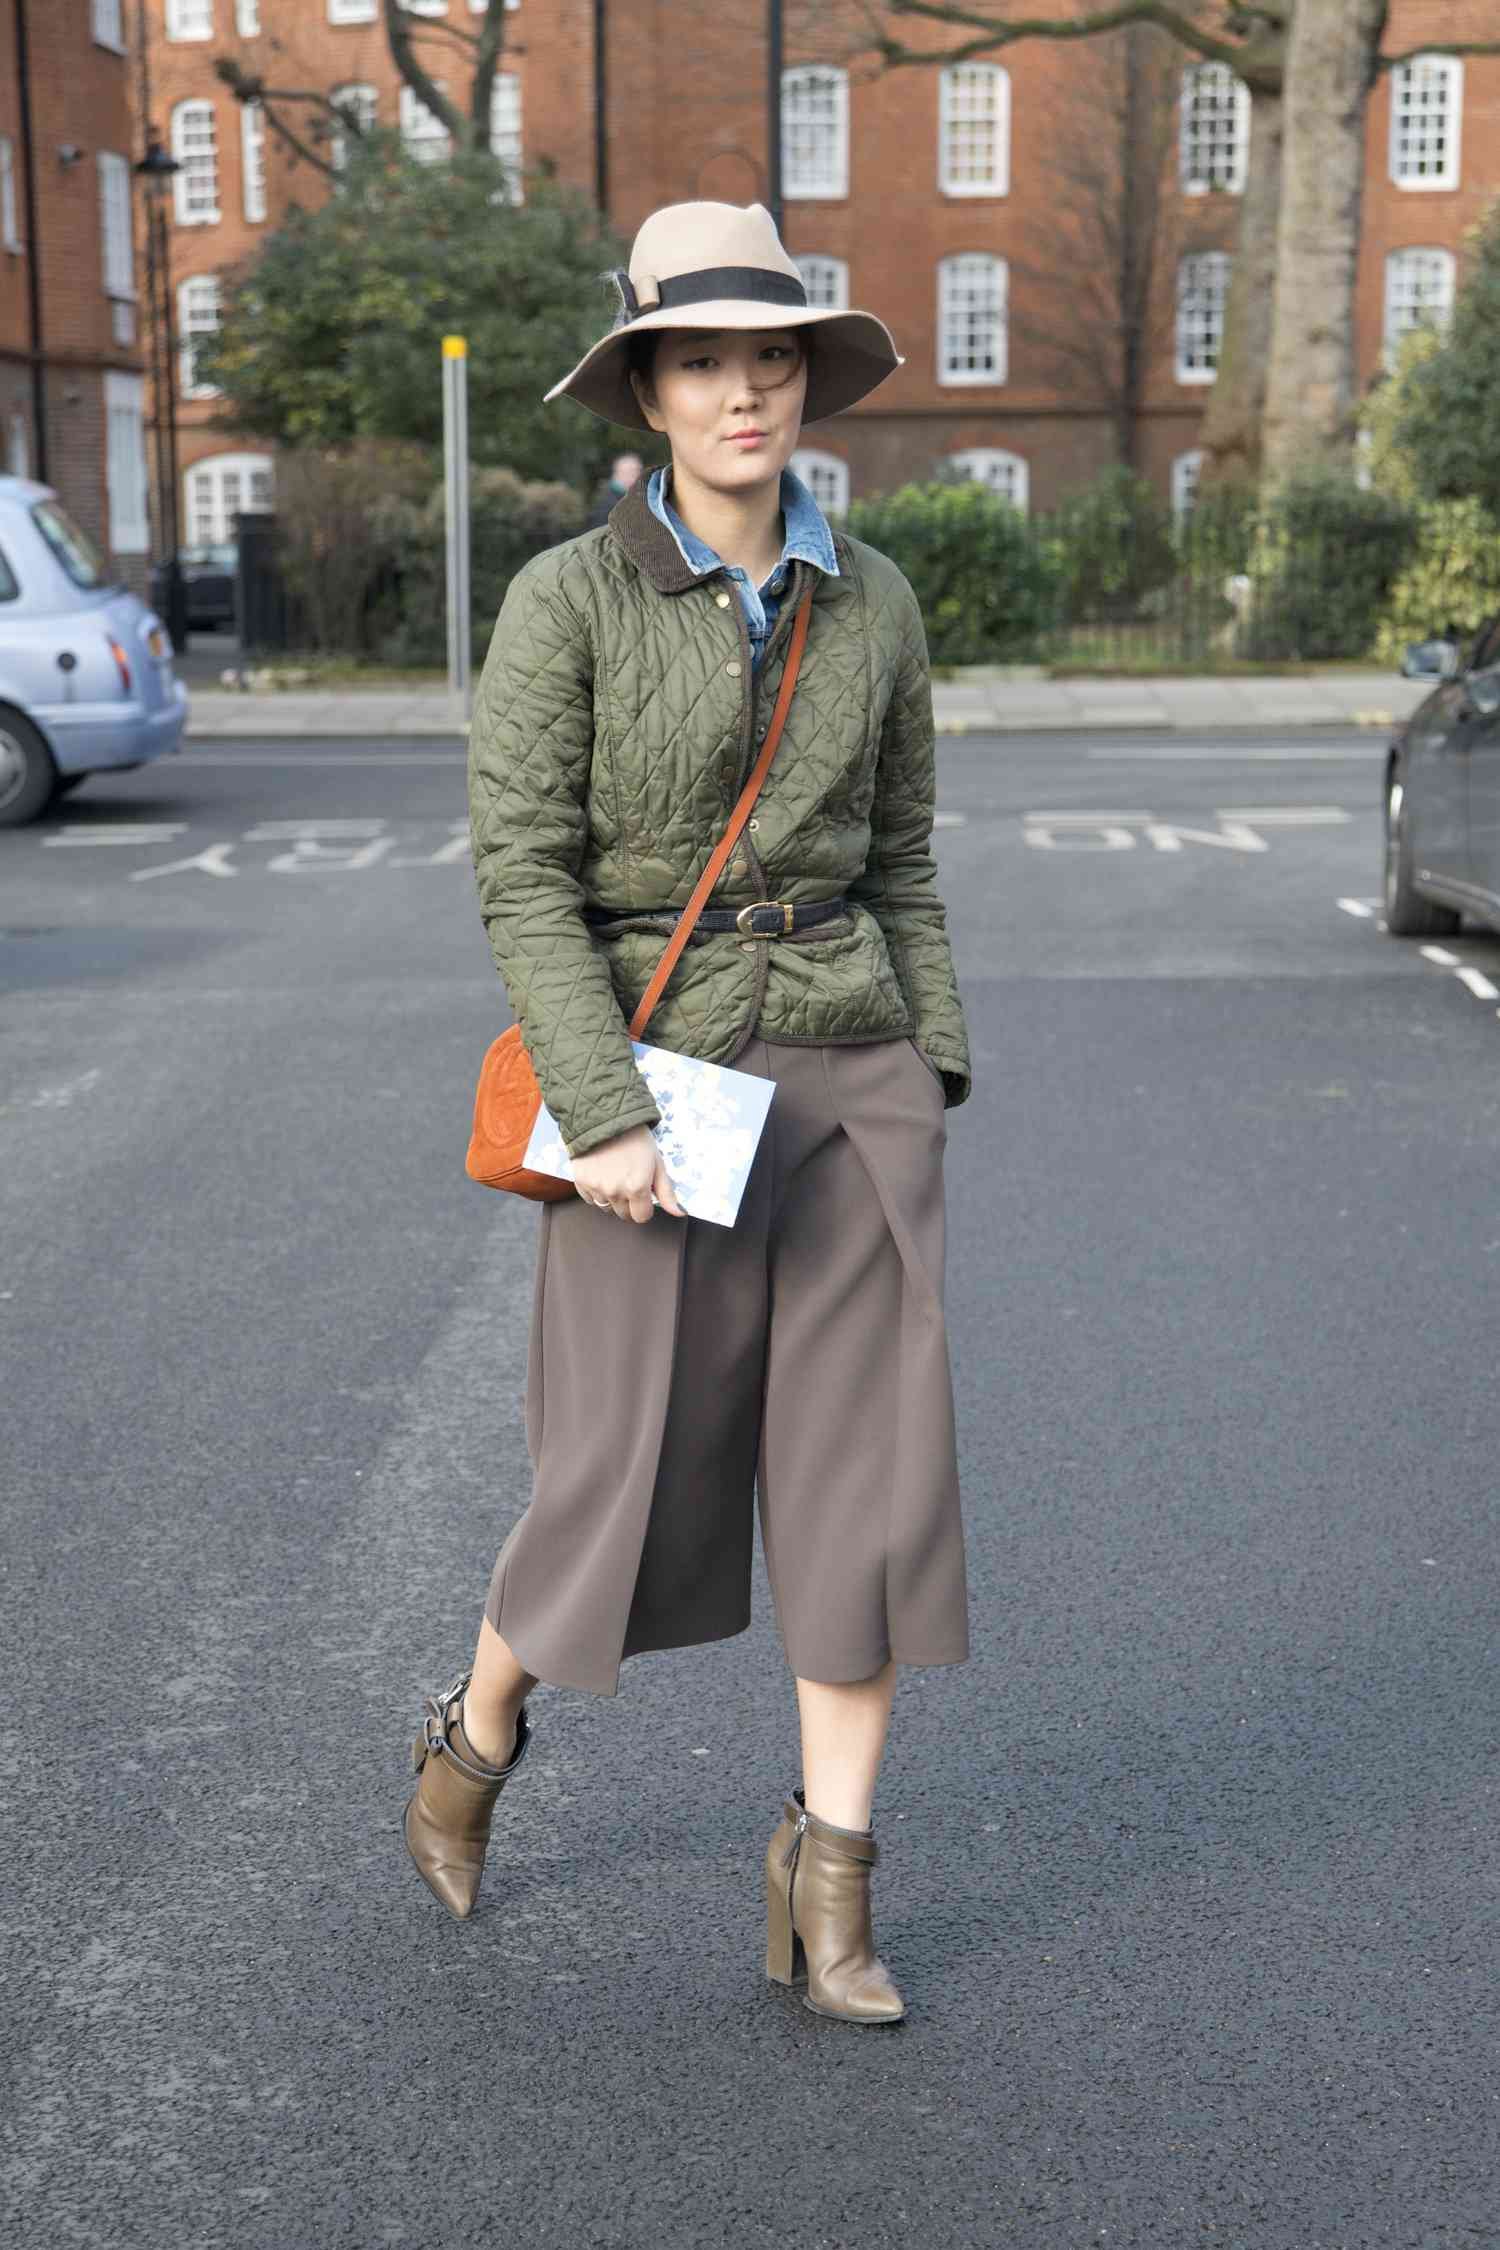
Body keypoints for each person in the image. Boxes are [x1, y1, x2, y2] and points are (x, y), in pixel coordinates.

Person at [404, 199, 974, 2026]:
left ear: (809, 378)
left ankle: (832, 1889)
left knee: (865, 1495)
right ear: (648, 385)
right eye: (707, 358)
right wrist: (603, 1107)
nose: (747, 390)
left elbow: (904, 859)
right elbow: (522, 878)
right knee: (617, 1483)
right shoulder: (565, 601)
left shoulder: (871, 600)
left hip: (848, 1071)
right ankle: (479, 1729)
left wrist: (930, 1071)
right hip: (650, 1078)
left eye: (775, 355)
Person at [585, 448, 645, 528]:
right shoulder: (607, 504)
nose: (638, 475)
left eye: (639, 470)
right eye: (632, 471)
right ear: (617, 474)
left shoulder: (637, 497)